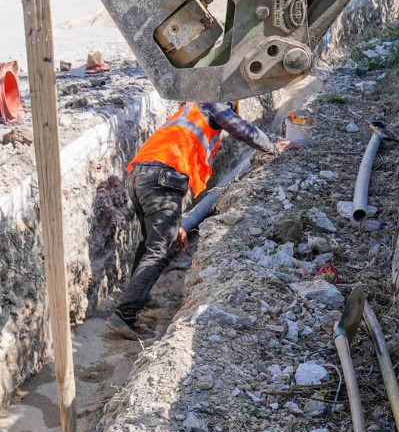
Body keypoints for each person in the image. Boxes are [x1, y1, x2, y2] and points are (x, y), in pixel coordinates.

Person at [110, 102, 286, 340]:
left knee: (150, 243)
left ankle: (137, 295)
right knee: (161, 250)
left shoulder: (188, 111)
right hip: (164, 177)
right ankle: (126, 314)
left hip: (141, 175)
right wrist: (274, 149)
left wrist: (176, 225)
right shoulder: (215, 104)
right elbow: (244, 131)